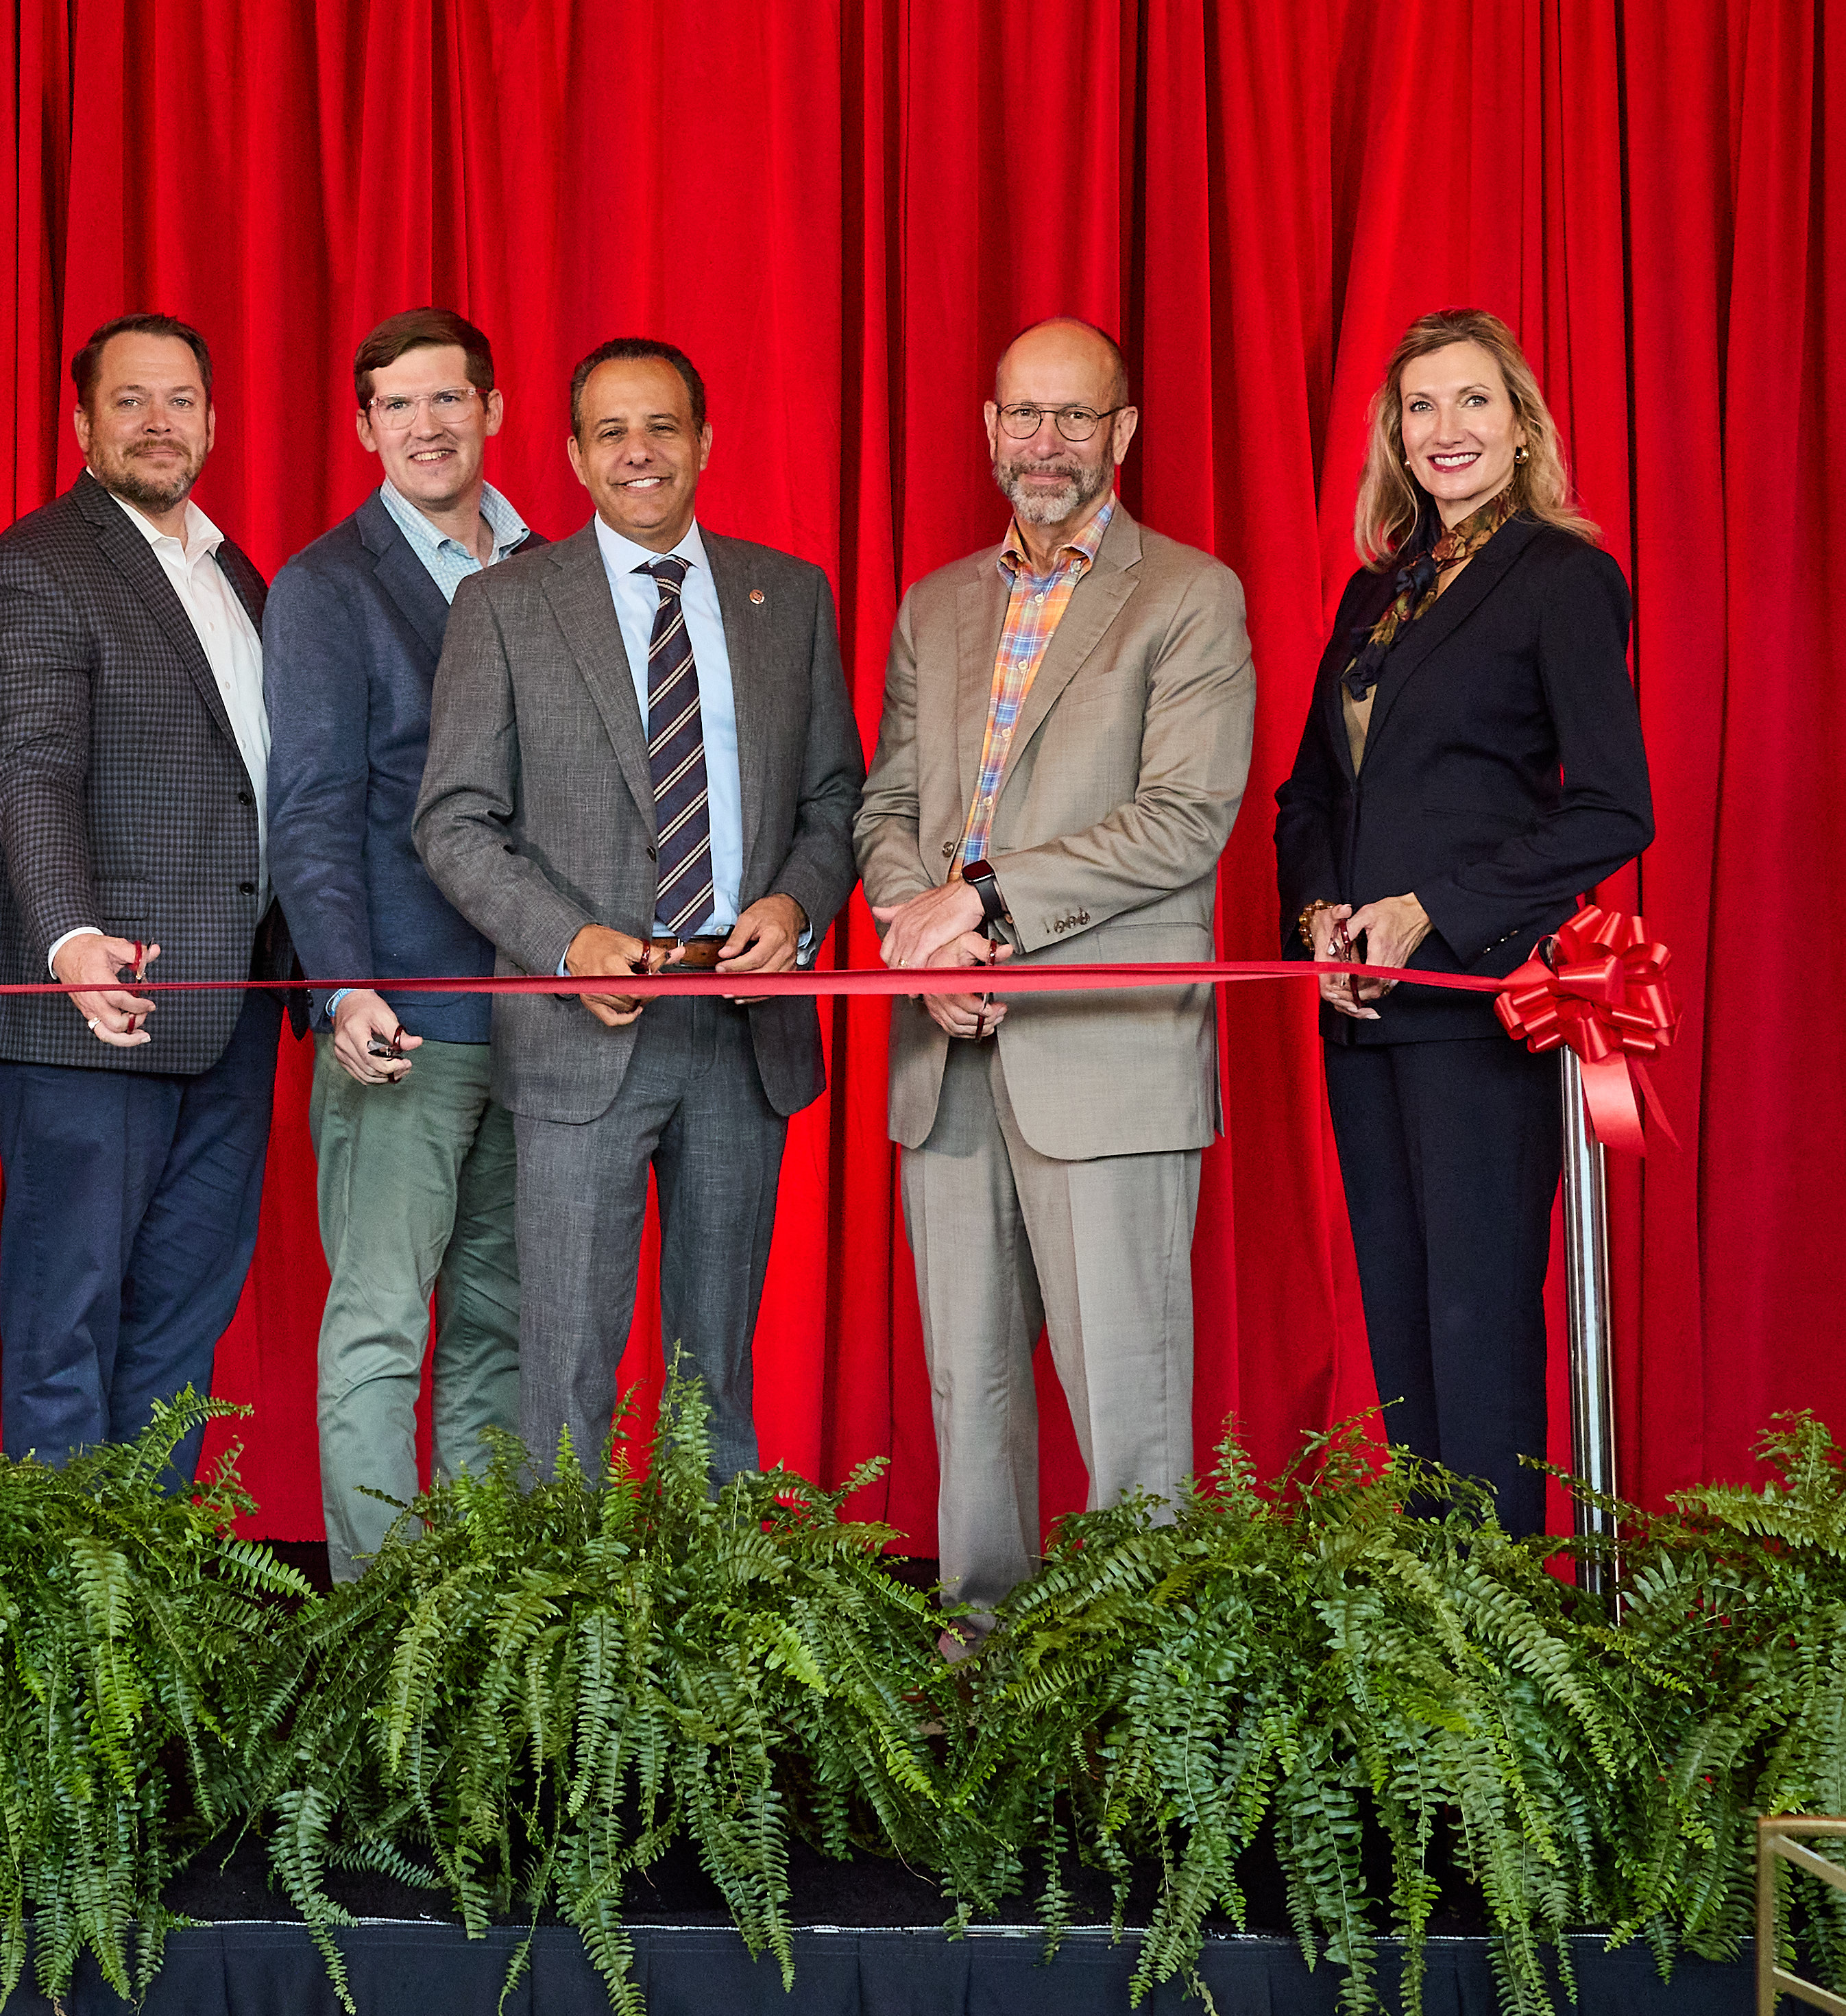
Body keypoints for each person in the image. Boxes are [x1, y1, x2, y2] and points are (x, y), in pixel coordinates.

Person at [854, 317, 1255, 1612]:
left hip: (1106, 1055)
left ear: (1121, 434)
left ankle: (1149, 1703)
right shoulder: (935, 605)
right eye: (1022, 416)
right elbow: (886, 809)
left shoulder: (1188, 595)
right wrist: (919, 932)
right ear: (988, 429)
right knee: (967, 1393)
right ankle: (983, 1694)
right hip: (945, 1046)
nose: (1045, 444)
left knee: (1127, 1396)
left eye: (1075, 418)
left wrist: (978, 907)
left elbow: (1183, 817)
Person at [415, 337, 864, 1482]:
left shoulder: (788, 595)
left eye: (661, 426)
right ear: (571, 454)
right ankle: (567, 1646)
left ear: (705, 443)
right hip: (580, 1034)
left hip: (739, 1025)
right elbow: (453, 821)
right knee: (563, 1364)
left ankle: (709, 1627)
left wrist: (796, 903)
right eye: (610, 431)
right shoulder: (504, 605)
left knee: (716, 1365)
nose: (638, 452)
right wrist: (567, 942)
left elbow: (832, 796)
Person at [1274, 306, 1652, 1538]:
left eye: (1472, 401)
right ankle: (1431, 1627)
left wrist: (1430, 910)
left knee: (1474, 1326)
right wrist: (1320, 916)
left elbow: (1612, 806)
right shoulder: (1373, 593)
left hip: (1477, 1008)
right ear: (1395, 432)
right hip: (1362, 1018)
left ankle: (1498, 1650)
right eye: (1421, 406)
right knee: (1397, 1330)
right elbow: (1310, 793)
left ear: (1520, 424)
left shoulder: (1562, 578)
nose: (1447, 428)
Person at [0, 312, 291, 1481]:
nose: (160, 424)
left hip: (232, 1004)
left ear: (211, 416)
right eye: (132, 402)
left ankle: (146, 1618)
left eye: (181, 401)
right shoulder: (40, 562)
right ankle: (66, 1644)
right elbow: (30, 765)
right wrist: (70, 936)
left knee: (176, 1343)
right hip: (90, 1013)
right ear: (83, 422)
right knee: (67, 1338)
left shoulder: (230, 567)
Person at [265, 308, 530, 1577]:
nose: (426, 426)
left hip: (542, 1017)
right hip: (404, 1025)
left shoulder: (556, 563)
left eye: (447, 399)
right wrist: (340, 985)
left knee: (502, 1324)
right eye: (397, 406)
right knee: (379, 1325)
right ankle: (380, 1623)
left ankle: (474, 1609)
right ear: (365, 426)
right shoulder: (326, 584)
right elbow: (308, 803)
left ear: (492, 407)